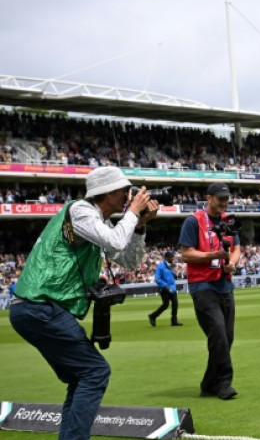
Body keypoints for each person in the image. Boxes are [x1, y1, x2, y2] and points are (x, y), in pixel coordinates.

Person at [9, 166, 159, 440]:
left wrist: (139, 226)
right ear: (108, 192)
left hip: (39, 309)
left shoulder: (97, 221)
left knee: (82, 377)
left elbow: (129, 260)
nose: (130, 195)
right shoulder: (80, 210)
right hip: (39, 306)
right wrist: (133, 213)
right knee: (95, 371)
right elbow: (114, 239)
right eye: (126, 191)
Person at [179, 182, 241, 400]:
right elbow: (186, 254)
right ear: (209, 197)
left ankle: (208, 383)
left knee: (226, 337)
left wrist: (232, 263)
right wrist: (213, 256)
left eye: (226, 199)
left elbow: (236, 248)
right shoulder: (193, 221)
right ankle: (224, 383)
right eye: (220, 198)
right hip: (202, 285)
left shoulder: (228, 221)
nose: (224, 203)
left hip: (225, 284)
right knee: (217, 332)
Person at [149, 251, 183, 327]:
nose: (172, 259)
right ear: (166, 258)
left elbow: (172, 277)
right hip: (164, 289)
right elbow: (157, 279)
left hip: (172, 288)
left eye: (173, 257)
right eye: (171, 257)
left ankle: (174, 320)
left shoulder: (171, 266)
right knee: (165, 305)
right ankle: (153, 316)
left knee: (175, 304)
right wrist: (165, 286)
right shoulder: (160, 267)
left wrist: (175, 275)